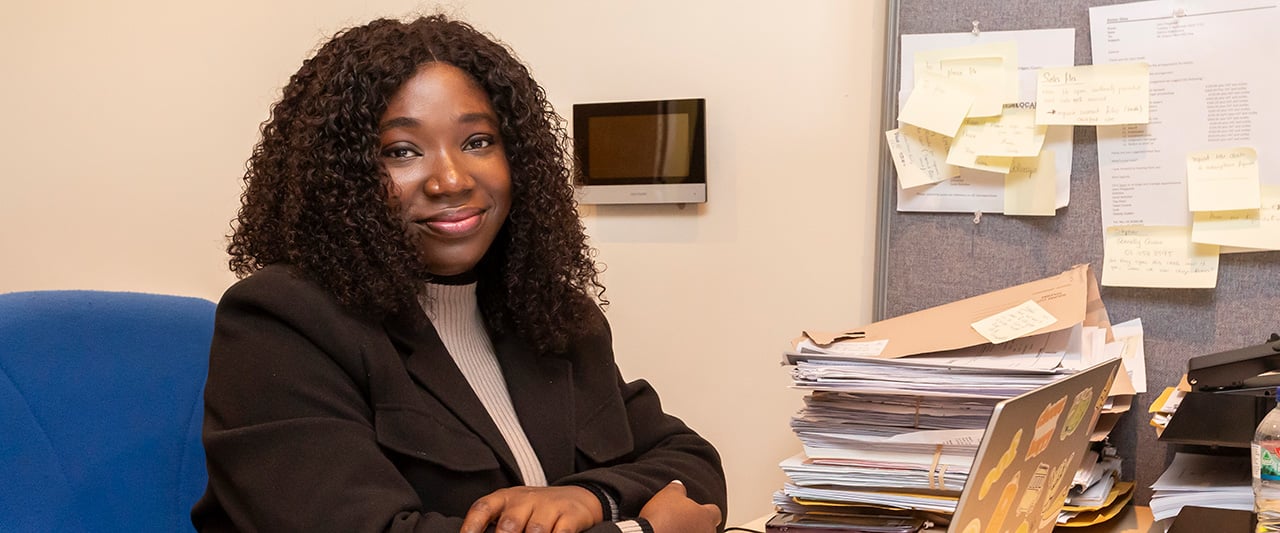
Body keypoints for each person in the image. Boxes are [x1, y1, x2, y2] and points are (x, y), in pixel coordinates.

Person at [190, 13, 727, 533]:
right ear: (339, 178)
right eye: (401, 151)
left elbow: (692, 464)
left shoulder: (552, 316)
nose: (451, 179)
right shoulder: (280, 324)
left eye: (477, 142)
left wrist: (592, 497)